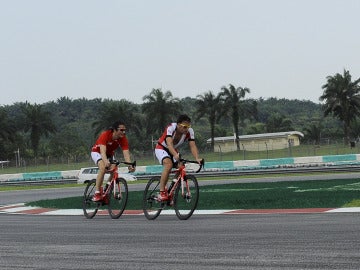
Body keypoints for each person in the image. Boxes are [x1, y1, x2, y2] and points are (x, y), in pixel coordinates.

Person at [155, 114, 202, 201]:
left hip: (173, 149)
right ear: (178, 124)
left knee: (181, 167)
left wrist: (197, 158)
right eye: (184, 126)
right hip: (162, 147)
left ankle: (171, 190)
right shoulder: (171, 128)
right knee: (168, 165)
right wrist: (175, 155)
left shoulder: (189, 132)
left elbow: (192, 146)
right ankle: (161, 192)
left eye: (188, 126)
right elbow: (169, 144)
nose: (186, 129)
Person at [90, 120, 135, 202]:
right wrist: (105, 161)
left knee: (114, 170)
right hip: (98, 152)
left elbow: (126, 154)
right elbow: (102, 152)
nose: (123, 132)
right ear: (114, 130)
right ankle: (97, 193)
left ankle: (106, 188)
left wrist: (129, 165)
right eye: (121, 130)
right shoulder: (105, 135)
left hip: (109, 154)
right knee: (103, 168)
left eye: (124, 130)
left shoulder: (123, 139)